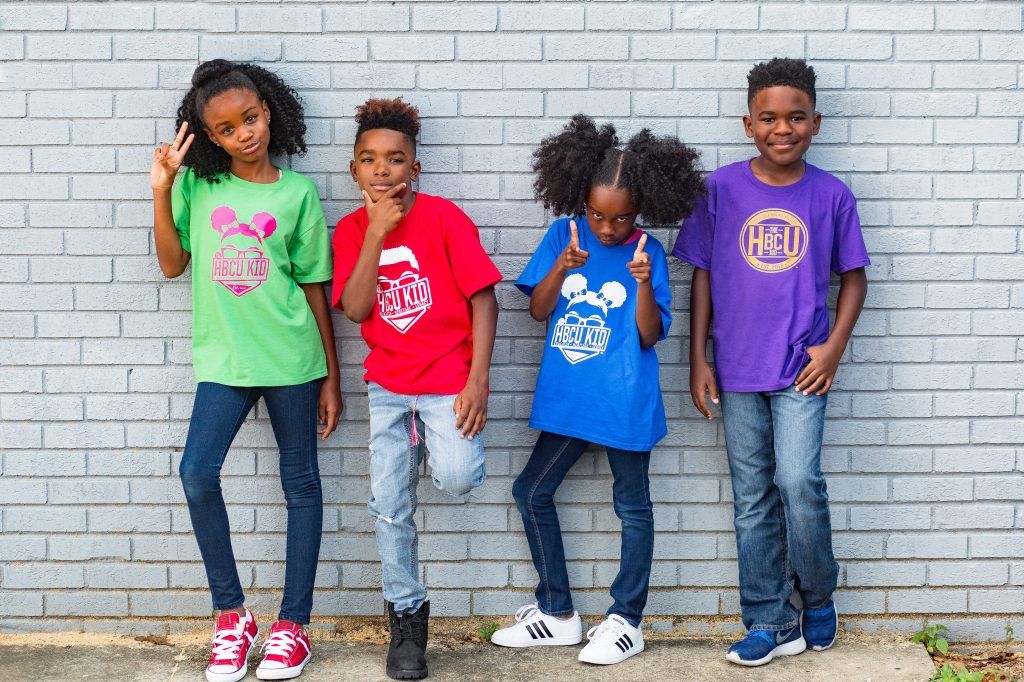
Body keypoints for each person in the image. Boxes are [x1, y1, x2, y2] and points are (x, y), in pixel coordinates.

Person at [673, 57, 870, 667]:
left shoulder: (832, 195)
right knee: (753, 496)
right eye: (768, 118)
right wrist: (698, 359)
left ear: (815, 122)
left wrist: (833, 346)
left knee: (797, 482)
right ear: (747, 123)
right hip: (736, 368)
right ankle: (768, 619)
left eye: (795, 117)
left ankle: (817, 595)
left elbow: (855, 280)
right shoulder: (721, 189)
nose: (782, 129)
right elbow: (701, 276)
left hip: (801, 368)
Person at [151, 59, 341, 682]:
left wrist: (332, 377)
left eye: (251, 118)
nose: (245, 134)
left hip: (292, 359)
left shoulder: (298, 194)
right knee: (197, 473)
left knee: (302, 486)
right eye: (228, 128)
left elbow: (314, 287)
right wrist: (160, 189)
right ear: (211, 136)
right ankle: (232, 617)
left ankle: (293, 627)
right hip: (226, 362)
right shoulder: (197, 188)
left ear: (270, 111)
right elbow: (174, 265)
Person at [491, 115, 703, 666]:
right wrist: (561, 267)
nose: (608, 230)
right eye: (598, 215)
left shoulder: (648, 251)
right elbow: (538, 311)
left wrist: (638, 283)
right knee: (531, 492)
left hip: (624, 402)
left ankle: (626, 620)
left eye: (622, 218)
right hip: (570, 400)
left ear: (641, 210)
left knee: (632, 507)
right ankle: (558, 614)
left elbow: (649, 334)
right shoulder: (564, 235)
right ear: (580, 202)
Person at [331, 97, 501, 680]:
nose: (382, 170)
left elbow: (484, 298)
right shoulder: (352, 231)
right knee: (389, 505)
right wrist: (377, 232)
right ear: (354, 170)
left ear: (414, 168)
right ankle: (407, 618)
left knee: (456, 477)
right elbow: (355, 309)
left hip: (447, 383)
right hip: (388, 390)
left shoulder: (445, 219)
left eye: (395, 159)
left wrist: (478, 380)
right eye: (369, 160)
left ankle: (429, 444)